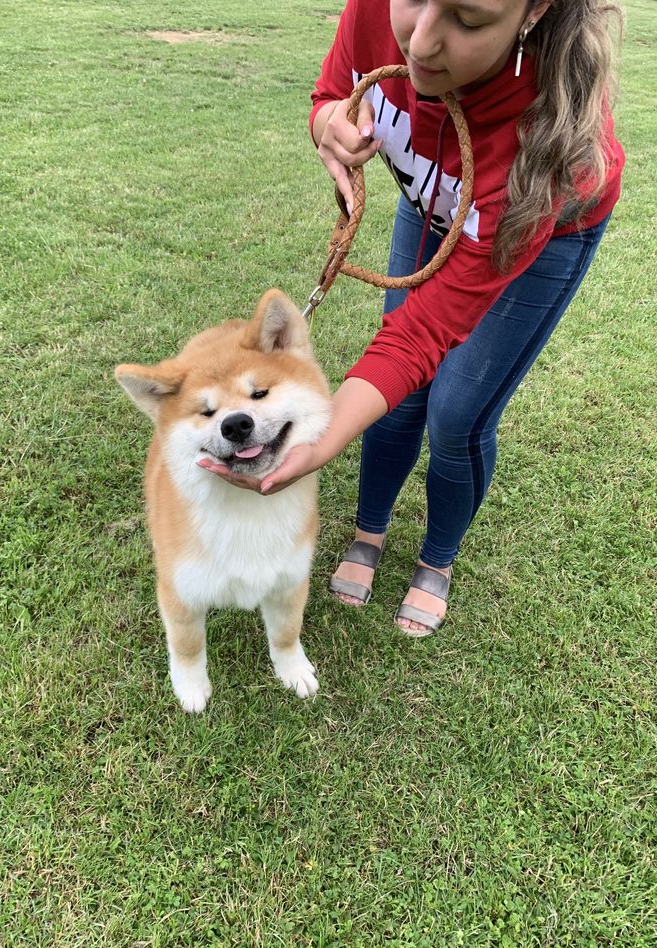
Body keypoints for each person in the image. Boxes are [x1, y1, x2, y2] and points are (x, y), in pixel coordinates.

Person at [199, 0, 624, 637]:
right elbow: (331, 92)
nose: (420, 42)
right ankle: (370, 530)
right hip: (434, 199)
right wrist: (325, 126)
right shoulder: (375, 9)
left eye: (469, 20)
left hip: (531, 222)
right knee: (393, 399)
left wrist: (322, 440)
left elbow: (422, 333)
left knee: (456, 413)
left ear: (533, 13)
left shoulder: (543, 136)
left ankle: (437, 560)